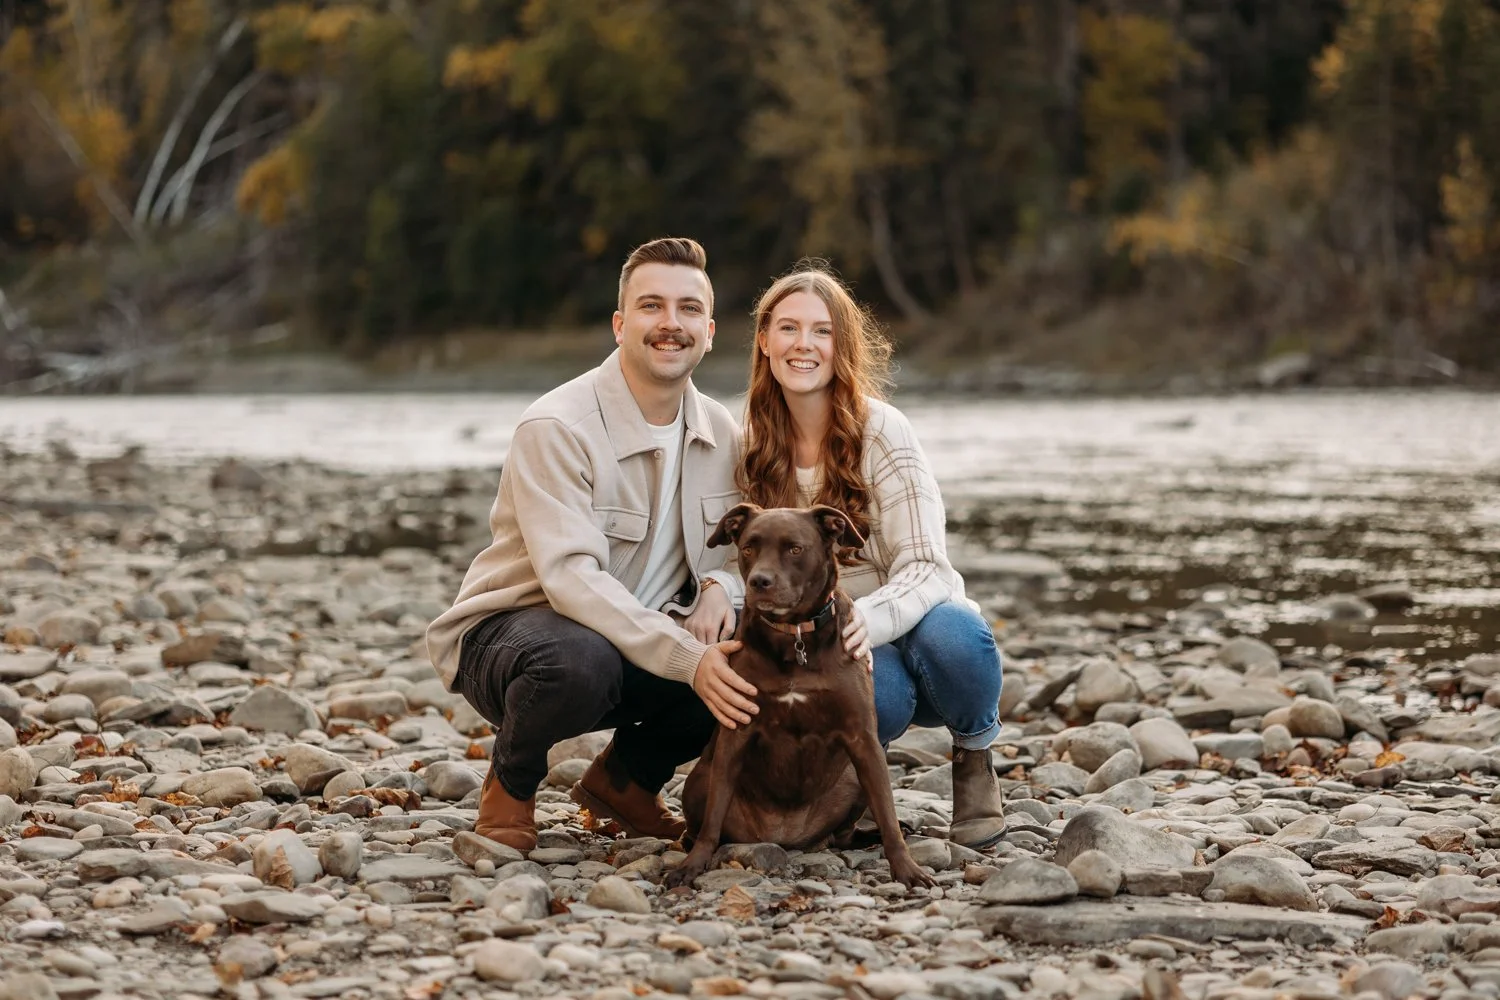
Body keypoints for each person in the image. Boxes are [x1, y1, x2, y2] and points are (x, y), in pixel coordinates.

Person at [427, 237, 760, 852]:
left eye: (688, 310)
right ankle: (512, 783)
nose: (670, 324)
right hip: (520, 635)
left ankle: (626, 782)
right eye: (651, 306)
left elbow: (744, 553)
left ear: (710, 332)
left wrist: (721, 587)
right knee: (580, 661)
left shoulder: (724, 434)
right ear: (619, 324)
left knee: (747, 657)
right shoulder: (557, 427)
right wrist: (688, 659)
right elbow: (570, 581)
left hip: (640, 638)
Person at [736, 263, 1007, 849]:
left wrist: (868, 619)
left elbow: (929, 566)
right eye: (787, 328)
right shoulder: (751, 441)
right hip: (831, 639)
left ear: (843, 345)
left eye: (822, 331)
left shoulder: (882, 429)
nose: (803, 345)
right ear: (764, 340)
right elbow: (736, 557)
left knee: (958, 637)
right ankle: (854, 788)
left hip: (910, 620)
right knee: (874, 698)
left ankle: (974, 757)